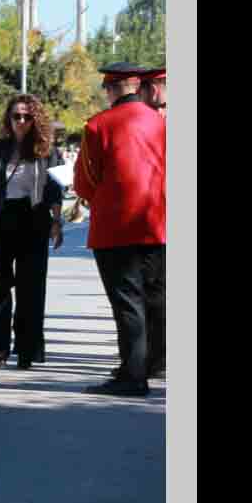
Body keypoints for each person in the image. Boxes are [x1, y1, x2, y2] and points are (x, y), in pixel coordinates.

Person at [73, 63, 166, 397]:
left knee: (127, 301)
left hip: (115, 227)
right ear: (137, 87)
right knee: (155, 297)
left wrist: (102, 196)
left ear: (112, 89)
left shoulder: (97, 125)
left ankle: (133, 375)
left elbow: (85, 180)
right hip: (157, 222)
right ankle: (152, 362)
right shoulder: (162, 123)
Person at [0, 95, 66, 371]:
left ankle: (27, 350)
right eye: (16, 116)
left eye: (27, 116)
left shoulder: (48, 150)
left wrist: (57, 221)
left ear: (36, 120)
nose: (21, 121)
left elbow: (55, 190)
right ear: (9, 118)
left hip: (33, 219)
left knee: (32, 288)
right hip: (0, 219)